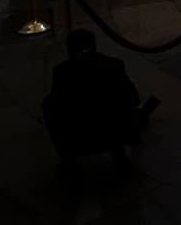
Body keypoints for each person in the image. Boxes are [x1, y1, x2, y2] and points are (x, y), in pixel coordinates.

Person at [42, 29, 145, 174]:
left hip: (79, 135)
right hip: (113, 131)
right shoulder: (114, 65)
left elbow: (52, 106)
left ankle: (68, 158)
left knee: (49, 108)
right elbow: (132, 98)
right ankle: (119, 154)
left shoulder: (63, 72)